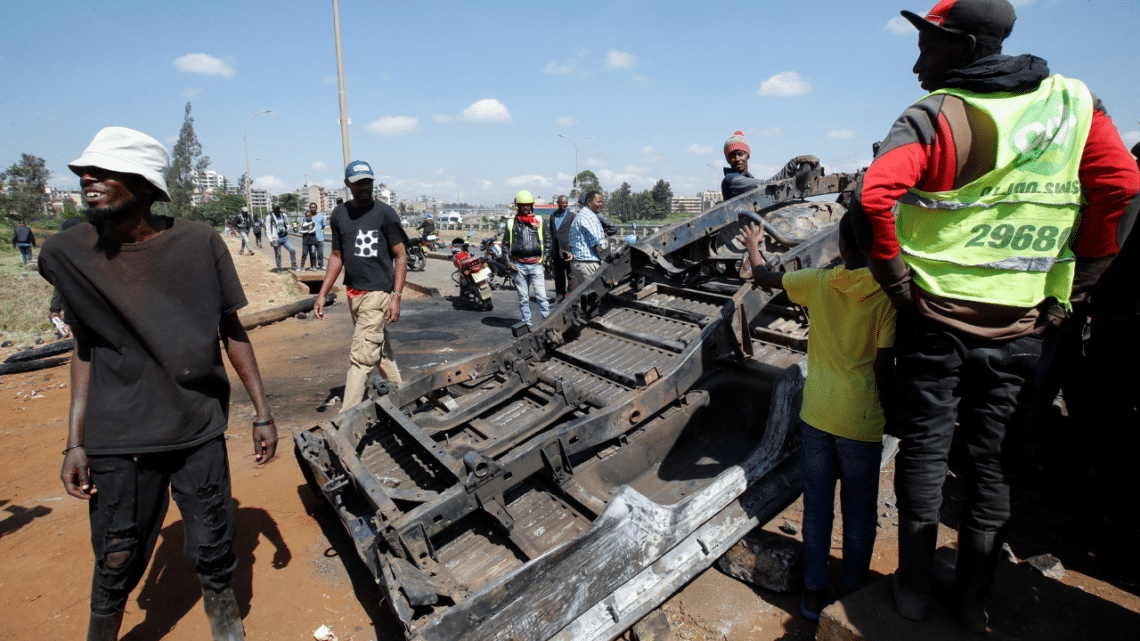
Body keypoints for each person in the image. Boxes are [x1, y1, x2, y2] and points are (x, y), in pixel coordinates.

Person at [857, 0, 1140, 631]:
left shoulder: (937, 115)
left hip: (937, 322)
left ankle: (911, 593)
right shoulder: (1073, 104)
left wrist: (900, 287)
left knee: (926, 455)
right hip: (1021, 327)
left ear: (962, 47)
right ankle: (974, 597)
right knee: (993, 463)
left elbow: (874, 197)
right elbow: (1121, 186)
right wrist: (1081, 282)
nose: (916, 62)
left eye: (928, 46)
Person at [37, 126, 277, 641]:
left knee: (214, 549)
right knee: (116, 556)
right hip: (118, 436)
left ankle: (227, 630)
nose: (88, 179)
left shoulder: (200, 243)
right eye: (85, 172)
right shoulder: (65, 254)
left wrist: (262, 412)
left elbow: (230, 329)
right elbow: (82, 346)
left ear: (145, 186)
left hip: (197, 427)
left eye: (105, 172)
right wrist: (75, 441)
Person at [739, 213, 896, 620]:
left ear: (842, 246)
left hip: (816, 417)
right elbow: (882, 369)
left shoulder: (819, 283)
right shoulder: (885, 296)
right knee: (860, 513)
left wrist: (755, 246)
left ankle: (812, 594)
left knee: (817, 509)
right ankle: (856, 590)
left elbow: (762, 278)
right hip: (860, 423)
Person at [314, 160, 407, 410]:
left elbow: (400, 255)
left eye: (368, 181)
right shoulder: (339, 214)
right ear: (348, 184)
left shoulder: (385, 213)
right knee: (380, 351)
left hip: (378, 294)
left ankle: (346, 419)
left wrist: (396, 295)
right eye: (358, 183)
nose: (364, 186)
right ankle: (405, 399)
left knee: (361, 358)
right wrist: (322, 294)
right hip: (354, 294)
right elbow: (336, 257)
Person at [720, 130, 820, 201]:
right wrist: (794, 162)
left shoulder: (747, 178)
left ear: (747, 155)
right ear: (727, 159)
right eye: (732, 156)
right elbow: (768, 185)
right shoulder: (732, 181)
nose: (737, 159)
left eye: (740, 154)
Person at [503, 190, 551, 327]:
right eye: (523, 205)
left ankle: (547, 325)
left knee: (542, 298)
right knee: (523, 299)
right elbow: (505, 246)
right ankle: (527, 325)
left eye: (528, 205)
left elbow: (548, 242)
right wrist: (508, 263)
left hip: (536, 265)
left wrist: (544, 260)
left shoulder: (539, 221)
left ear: (532, 206)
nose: (525, 208)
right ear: (517, 206)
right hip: (518, 266)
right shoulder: (511, 223)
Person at [47, 217, 84, 338]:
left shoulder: (62, 253)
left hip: (74, 304)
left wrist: (55, 309)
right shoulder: (93, 248)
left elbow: (59, 284)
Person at [567, 191, 607, 288]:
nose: (600, 205)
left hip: (580, 263)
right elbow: (597, 244)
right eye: (598, 202)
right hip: (587, 263)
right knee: (595, 294)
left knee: (585, 295)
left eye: (601, 202)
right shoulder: (589, 217)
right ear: (589, 202)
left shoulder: (581, 215)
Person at [548, 195, 575, 301]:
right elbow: (551, 233)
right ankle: (560, 296)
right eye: (562, 203)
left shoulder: (572, 216)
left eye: (566, 203)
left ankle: (571, 296)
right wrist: (550, 252)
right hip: (556, 250)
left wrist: (573, 250)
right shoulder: (552, 216)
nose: (564, 205)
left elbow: (575, 233)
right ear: (558, 203)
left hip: (567, 250)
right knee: (558, 275)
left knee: (571, 274)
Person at [264, 204, 296, 272]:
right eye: (276, 208)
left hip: (284, 237)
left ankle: (294, 265)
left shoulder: (283, 215)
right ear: (273, 209)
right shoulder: (269, 217)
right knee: (278, 254)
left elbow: (287, 223)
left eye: (278, 208)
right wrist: (270, 240)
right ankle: (279, 268)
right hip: (276, 238)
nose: (277, 210)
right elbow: (268, 229)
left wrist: (287, 229)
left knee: (292, 250)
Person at [309, 202, 326, 269]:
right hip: (311, 238)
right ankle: (313, 266)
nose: (312, 209)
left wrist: (318, 232)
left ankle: (321, 265)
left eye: (314, 207)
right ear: (309, 208)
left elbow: (323, 225)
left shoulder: (320, 216)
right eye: (311, 207)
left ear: (316, 208)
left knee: (320, 253)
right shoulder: (307, 216)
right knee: (312, 253)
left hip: (319, 238)